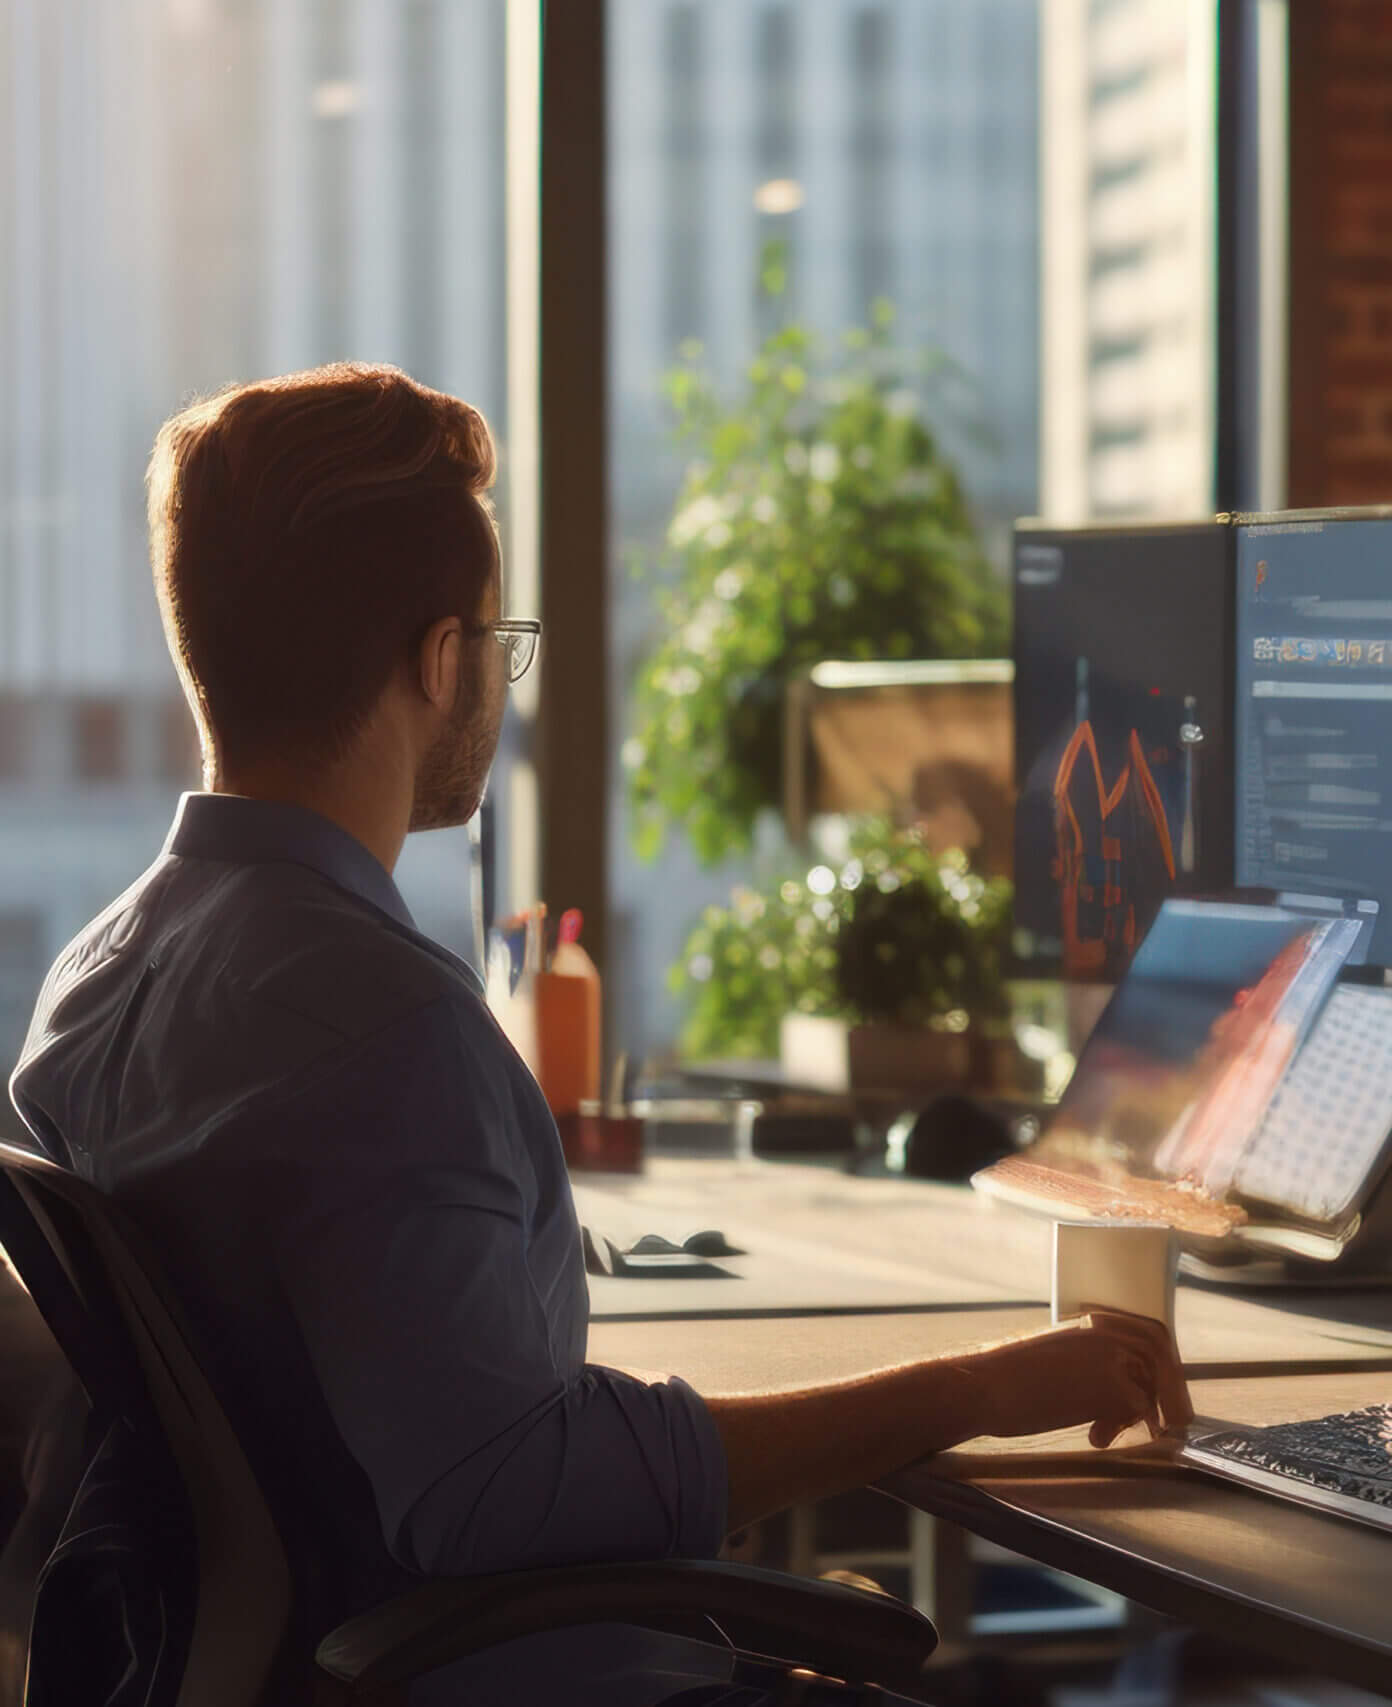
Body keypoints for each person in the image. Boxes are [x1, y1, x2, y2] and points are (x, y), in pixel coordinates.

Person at [7, 364, 1190, 1706]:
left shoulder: (92, 981)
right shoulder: (385, 1023)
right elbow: (500, 1492)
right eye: (499, 645)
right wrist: (972, 1387)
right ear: (442, 660)